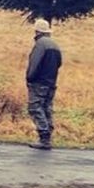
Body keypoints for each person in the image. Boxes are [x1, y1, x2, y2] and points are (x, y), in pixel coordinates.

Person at [26, 18, 62, 150]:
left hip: (39, 82)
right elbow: (59, 63)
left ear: (37, 31)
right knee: (47, 108)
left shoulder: (40, 44)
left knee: (35, 108)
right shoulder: (55, 45)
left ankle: (43, 137)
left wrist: (30, 78)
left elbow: (34, 64)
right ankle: (47, 137)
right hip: (51, 82)